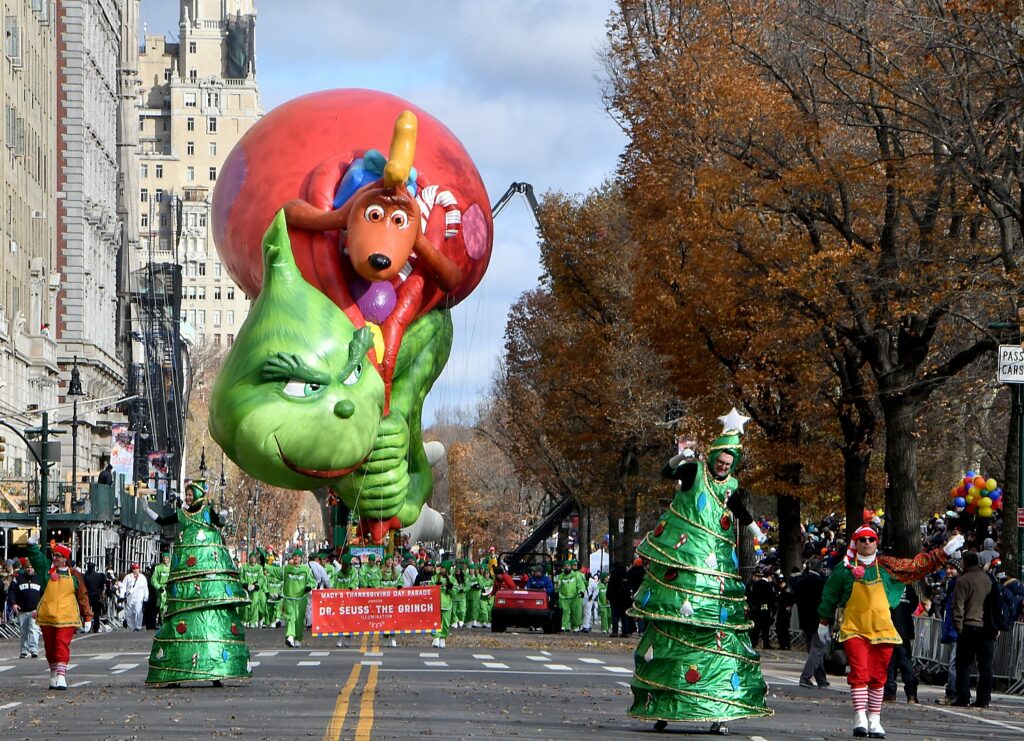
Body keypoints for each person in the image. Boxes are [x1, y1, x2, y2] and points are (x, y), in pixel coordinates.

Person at [818, 524, 963, 738]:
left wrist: (945, 551)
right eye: (862, 540)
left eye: (871, 539)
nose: (867, 543)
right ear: (855, 543)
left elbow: (917, 566)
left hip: (883, 630)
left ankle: (874, 720)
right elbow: (830, 594)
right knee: (859, 673)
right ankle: (860, 718)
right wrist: (824, 621)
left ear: (876, 542)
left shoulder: (887, 566)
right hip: (854, 629)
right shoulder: (844, 569)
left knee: (878, 676)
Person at [142, 480, 251, 686]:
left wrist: (223, 518)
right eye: (187, 494)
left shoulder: (208, 511)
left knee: (209, 617)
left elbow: (218, 523)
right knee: (182, 619)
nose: (188, 497)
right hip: (185, 573)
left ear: (199, 495)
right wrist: (148, 511)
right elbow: (165, 521)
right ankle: (176, 671)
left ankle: (215, 671)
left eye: (191, 494)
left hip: (206, 572)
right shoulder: (182, 513)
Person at [25, 537, 92, 689]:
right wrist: (31, 545)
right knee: (50, 647)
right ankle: (54, 671)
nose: (55, 558)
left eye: (58, 556)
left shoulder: (74, 575)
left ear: (65, 559)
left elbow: (83, 595)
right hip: (47, 615)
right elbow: (36, 557)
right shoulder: (47, 571)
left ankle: (61, 676)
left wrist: (87, 616)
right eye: (54, 555)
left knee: (61, 644)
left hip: (67, 617)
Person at [951, 551, 995, 708]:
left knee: (963, 664)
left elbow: (958, 606)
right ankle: (984, 698)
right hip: (986, 627)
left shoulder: (963, 581)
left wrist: (959, 626)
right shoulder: (988, 579)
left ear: (965, 563)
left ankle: (963, 696)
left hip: (969, 626)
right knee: (985, 666)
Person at [794, 558, 829, 689]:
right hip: (819, 618)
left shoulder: (800, 582)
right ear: (820, 568)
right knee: (818, 649)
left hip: (804, 619)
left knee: (814, 649)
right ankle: (805, 676)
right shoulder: (821, 583)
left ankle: (821, 679)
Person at [884, 584, 919, 703]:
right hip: (904, 630)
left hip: (890, 628)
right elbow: (913, 605)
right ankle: (911, 694)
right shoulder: (909, 587)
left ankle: (890, 693)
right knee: (905, 663)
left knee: (889, 663)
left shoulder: (887, 585)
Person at [282, 548, 316, 647]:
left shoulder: (306, 570)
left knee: (299, 619)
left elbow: (312, 581)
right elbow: (276, 571)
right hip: (289, 597)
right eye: (295, 556)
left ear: (301, 558)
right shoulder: (286, 568)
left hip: (301, 598)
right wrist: (264, 564)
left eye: (298, 556)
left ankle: (298, 638)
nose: (296, 558)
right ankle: (290, 636)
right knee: (290, 617)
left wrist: (309, 586)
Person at [7, 561, 41, 658]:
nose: (29, 569)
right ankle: (24, 650)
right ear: (24, 568)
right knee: (23, 631)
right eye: (27, 567)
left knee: (34, 629)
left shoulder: (39, 579)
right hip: (22, 610)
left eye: (31, 567)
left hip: (35, 609)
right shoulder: (18, 579)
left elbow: (44, 594)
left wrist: (41, 607)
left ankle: (34, 649)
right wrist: (13, 604)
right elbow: (11, 592)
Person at [747, 567, 777, 649]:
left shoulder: (755, 584)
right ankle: (766, 643)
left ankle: (754, 642)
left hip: (756, 609)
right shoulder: (768, 585)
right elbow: (771, 598)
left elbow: (752, 596)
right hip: (765, 609)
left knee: (756, 627)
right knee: (765, 628)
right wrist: (772, 608)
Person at [556, 560, 586, 632]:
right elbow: (557, 586)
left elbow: (580, 584)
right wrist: (556, 591)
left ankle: (575, 626)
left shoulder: (576, 575)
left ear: (570, 567)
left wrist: (581, 591)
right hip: (563, 597)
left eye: (568, 566)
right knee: (565, 612)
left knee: (575, 612)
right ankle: (564, 626)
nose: (567, 567)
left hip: (574, 597)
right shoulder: (560, 576)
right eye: (565, 566)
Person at [120, 563, 149, 631]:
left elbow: (145, 588)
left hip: (139, 597)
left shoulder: (142, 577)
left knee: (138, 611)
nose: (136, 570)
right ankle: (131, 627)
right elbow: (123, 587)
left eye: (137, 568)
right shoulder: (128, 577)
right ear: (132, 569)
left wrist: (146, 597)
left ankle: (138, 626)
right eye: (135, 569)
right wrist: (122, 595)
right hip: (130, 597)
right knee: (129, 613)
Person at [606, 563, 632, 637]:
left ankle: (615, 631)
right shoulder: (626, 576)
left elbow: (610, 587)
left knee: (615, 616)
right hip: (625, 599)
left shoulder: (613, 576)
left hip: (615, 599)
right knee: (624, 616)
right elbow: (629, 587)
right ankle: (625, 632)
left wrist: (608, 596)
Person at [83, 563, 106, 633]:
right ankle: (96, 627)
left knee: (86, 612)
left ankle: (87, 626)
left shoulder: (85, 576)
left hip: (87, 595)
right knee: (96, 613)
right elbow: (102, 587)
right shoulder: (98, 576)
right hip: (96, 595)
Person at [151, 553, 171, 623]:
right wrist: (159, 587)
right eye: (164, 558)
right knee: (163, 607)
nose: (165, 559)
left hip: (171, 589)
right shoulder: (158, 568)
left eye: (166, 557)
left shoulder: (172, 567)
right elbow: (153, 580)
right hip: (162, 591)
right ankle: (163, 623)